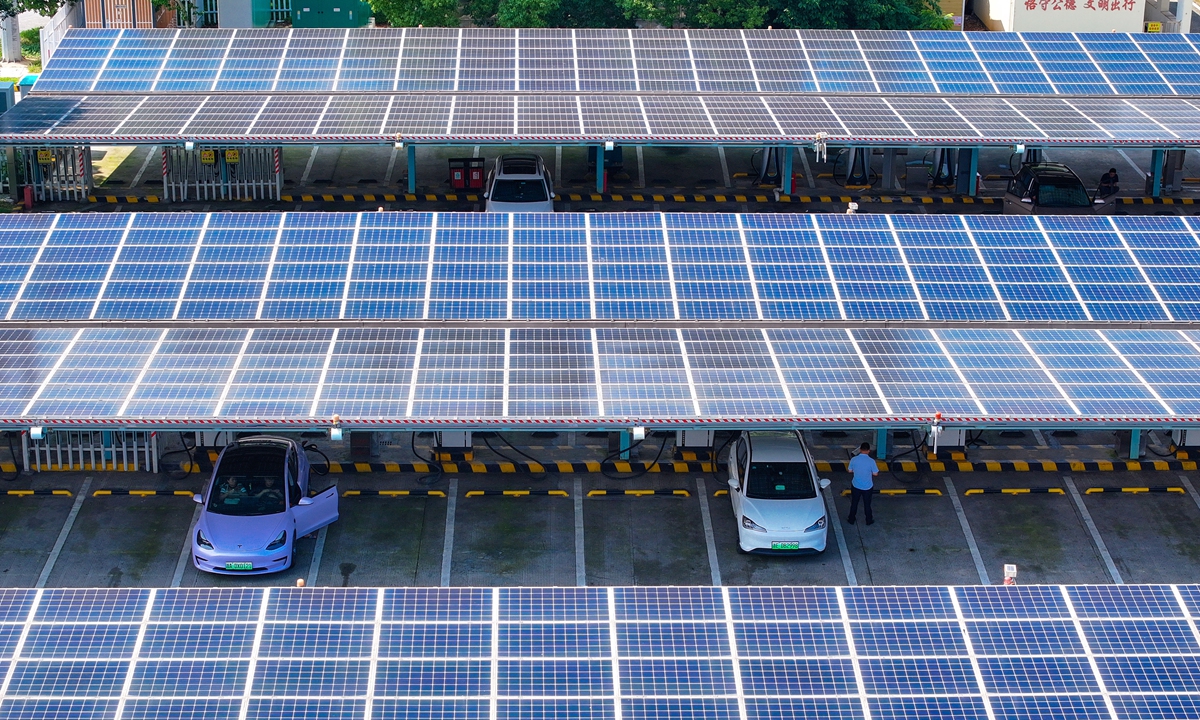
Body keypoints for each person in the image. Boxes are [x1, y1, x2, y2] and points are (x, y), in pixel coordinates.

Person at [847, 442, 879, 525]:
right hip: (867, 487)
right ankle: (869, 520)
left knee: (854, 503)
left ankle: (851, 519)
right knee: (867, 504)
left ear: (860, 450)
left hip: (856, 486)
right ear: (869, 450)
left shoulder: (854, 459)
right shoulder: (871, 461)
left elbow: (850, 470)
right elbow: (875, 473)